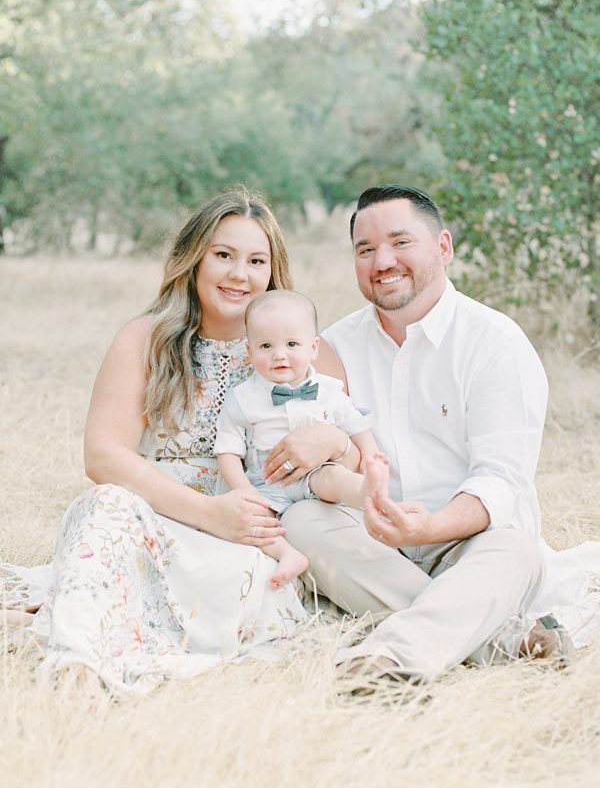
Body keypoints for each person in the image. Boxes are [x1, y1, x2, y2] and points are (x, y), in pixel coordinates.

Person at [1, 188, 330, 698]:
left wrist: (331, 438)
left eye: (256, 260)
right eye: (223, 255)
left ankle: (62, 621)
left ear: (273, 270)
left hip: (243, 533)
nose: (239, 274)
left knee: (252, 581)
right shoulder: (145, 337)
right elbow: (103, 455)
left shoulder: (297, 346)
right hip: (151, 516)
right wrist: (205, 511)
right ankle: (78, 670)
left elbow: (344, 441)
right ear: (194, 258)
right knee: (104, 505)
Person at [277, 183, 574, 687]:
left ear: (443, 247)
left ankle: (387, 661)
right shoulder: (334, 348)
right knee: (303, 520)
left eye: (400, 242)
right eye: (365, 249)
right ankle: (501, 640)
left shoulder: (495, 343)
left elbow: (501, 481)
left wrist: (430, 527)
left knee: (517, 550)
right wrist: (338, 456)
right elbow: (324, 470)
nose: (382, 261)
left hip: (471, 544)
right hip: (376, 545)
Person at [215, 288, 388, 589]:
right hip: (267, 483)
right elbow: (227, 450)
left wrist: (371, 455)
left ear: (314, 348)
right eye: (266, 345)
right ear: (250, 351)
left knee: (332, 477)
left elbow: (356, 424)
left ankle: (367, 492)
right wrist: (244, 491)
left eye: (292, 344)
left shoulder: (329, 390)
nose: (279, 354)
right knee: (253, 522)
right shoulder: (243, 399)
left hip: (316, 473)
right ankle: (288, 555)